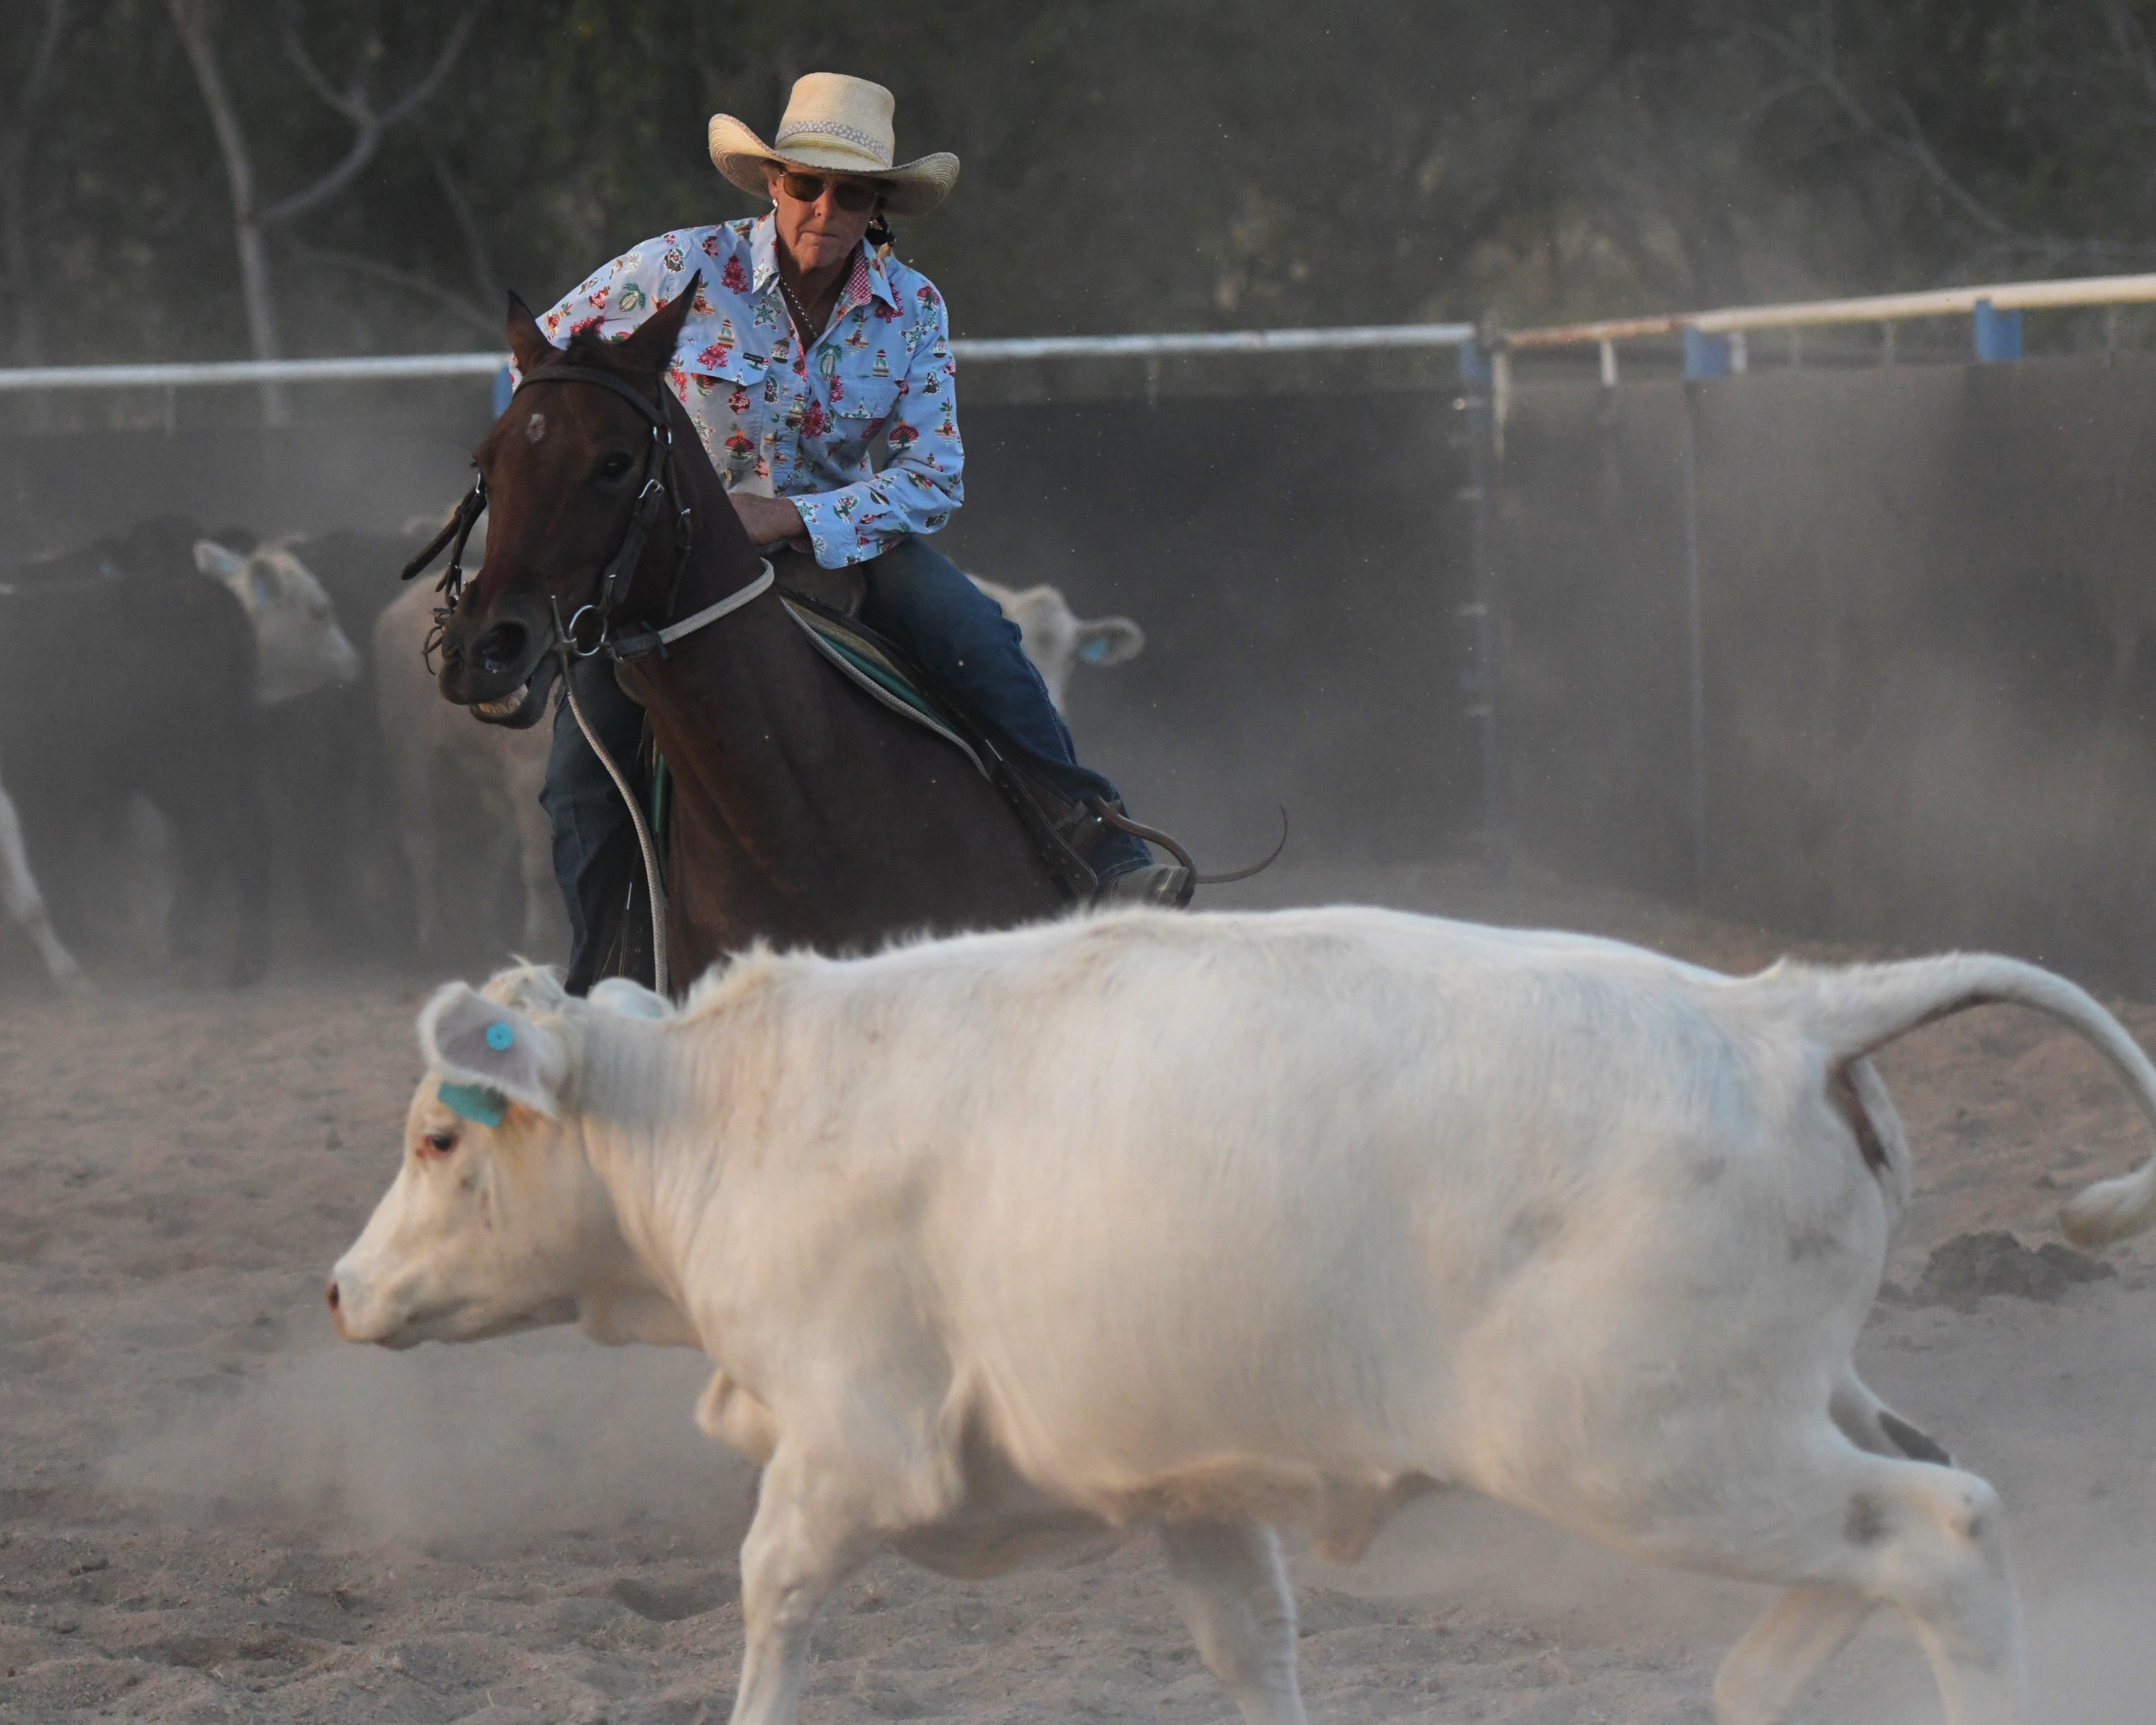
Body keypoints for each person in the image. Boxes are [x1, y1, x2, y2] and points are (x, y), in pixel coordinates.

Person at [534, 72, 1180, 981]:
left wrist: (788, 516)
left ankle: (1101, 848)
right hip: (667, 560)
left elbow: (933, 478)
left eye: (851, 193)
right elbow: (541, 363)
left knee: (981, 640)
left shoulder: (912, 307)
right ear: (773, 183)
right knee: (582, 767)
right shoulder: (676, 268)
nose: (825, 209)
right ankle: (598, 977)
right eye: (807, 184)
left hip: (840, 548)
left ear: (878, 205)